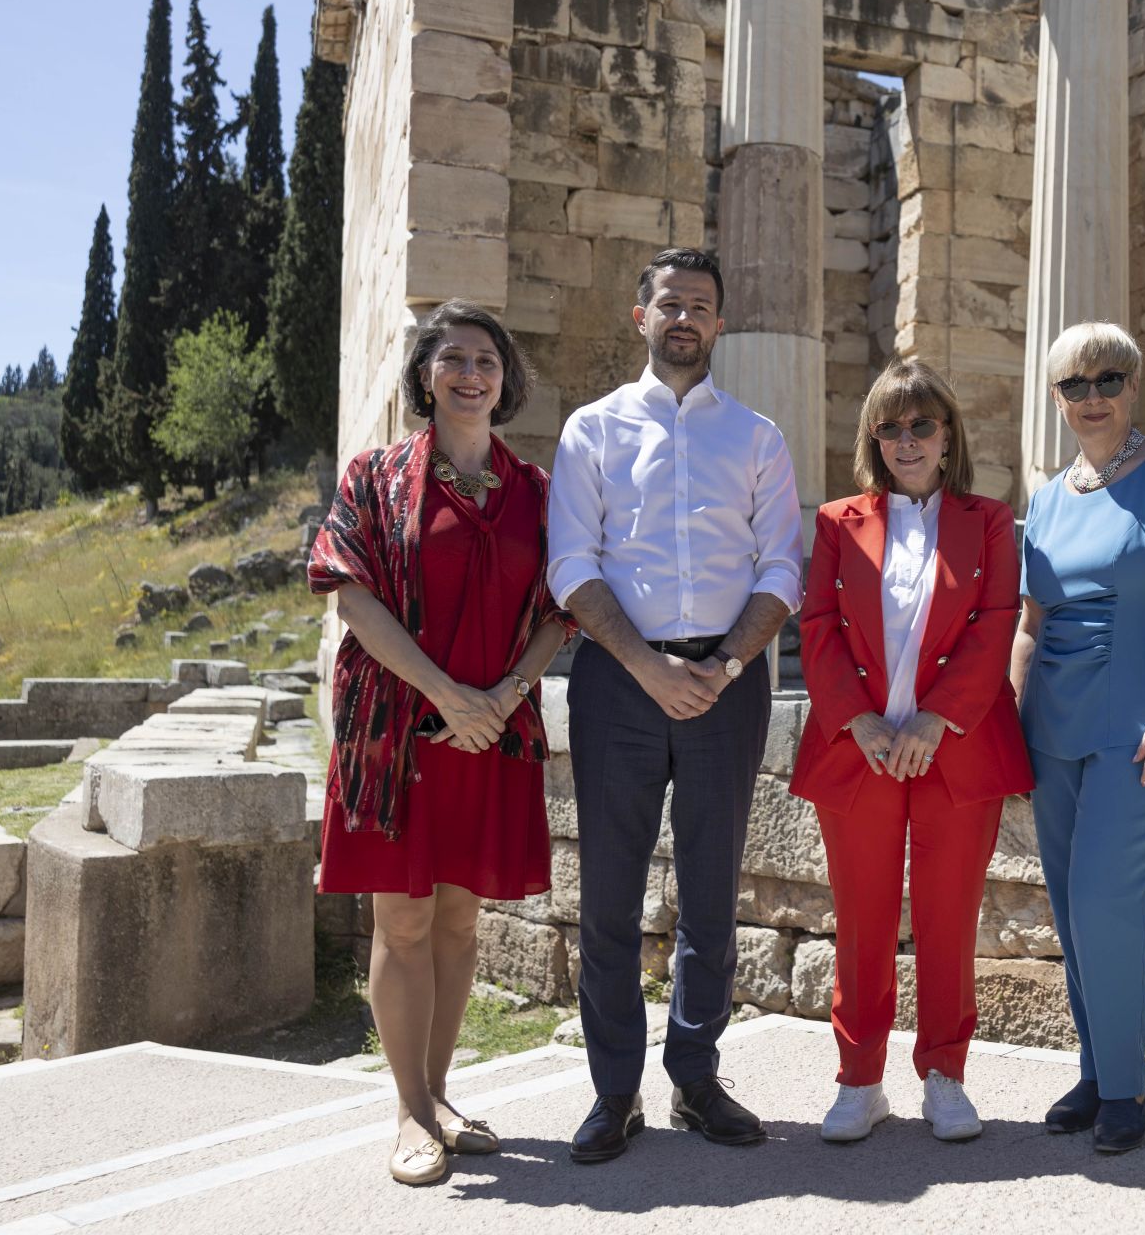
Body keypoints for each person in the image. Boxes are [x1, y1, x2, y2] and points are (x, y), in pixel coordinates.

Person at [547, 247, 804, 1164]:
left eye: (700, 305)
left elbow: (782, 567)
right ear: (641, 317)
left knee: (710, 891)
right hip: (618, 683)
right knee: (609, 895)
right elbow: (571, 565)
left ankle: (695, 1079)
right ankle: (614, 1092)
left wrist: (726, 665)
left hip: (726, 685)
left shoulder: (757, 437)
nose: (684, 317)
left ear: (720, 323)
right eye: (670, 303)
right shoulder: (592, 430)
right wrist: (645, 665)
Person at [310, 300, 575, 1186]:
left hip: (491, 730)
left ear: (506, 381)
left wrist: (502, 696)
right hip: (398, 733)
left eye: (486, 361)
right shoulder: (375, 475)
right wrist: (448, 696)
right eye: (453, 358)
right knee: (405, 918)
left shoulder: (538, 491)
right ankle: (409, 1112)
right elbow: (351, 597)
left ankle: (440, 1092)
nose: (470, 374)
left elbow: (560, 608)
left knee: (461, 918)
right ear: (425, 376)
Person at [791, 359, 1032, 1144]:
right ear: (873, 439)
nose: (907, 439)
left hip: (954, 749)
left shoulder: (989, 521)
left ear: (948, 434)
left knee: (948, 917)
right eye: (889, 426)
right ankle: (859, 1080)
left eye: (921, 424)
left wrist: (936, 720)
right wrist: (859, 722)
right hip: (857, 749)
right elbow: (817, 628)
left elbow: (995, 622)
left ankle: (945, 1075)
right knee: (861, 919)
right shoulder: (837, 522)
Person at [1008, 322, 1145, 1154]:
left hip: (1144, 730)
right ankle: (1098, 1071)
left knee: (1106, 904)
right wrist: (1008, 721)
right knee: (1073, 911)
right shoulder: (1047, 498)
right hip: (1053, 729)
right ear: (1056, 398)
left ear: (1133, 386)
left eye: (1108, 379)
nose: (1092, 396)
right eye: (1075, 384)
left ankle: (1127, 1087)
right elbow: (1030, 626)